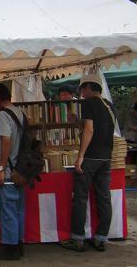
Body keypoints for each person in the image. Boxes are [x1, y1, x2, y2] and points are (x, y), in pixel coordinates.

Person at [60, 73, 116, 252]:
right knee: (104, 198)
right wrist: (78, 122)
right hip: (106, 157)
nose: (81, 93)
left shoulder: (88, 103)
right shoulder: (109, 105)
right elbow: (98, 128)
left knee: (81, 198)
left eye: (82, 89)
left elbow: (90, 130)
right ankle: (101, 238)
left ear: (89, 87)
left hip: (90, 156)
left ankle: (77, 239)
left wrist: (81, 155)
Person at [0, 82, 26, 261]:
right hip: (20, 170)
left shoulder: (3, 115)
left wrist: (0, 169)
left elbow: (6, 142)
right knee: (18, 210)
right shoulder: (20, 113)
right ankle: (18, 244)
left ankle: (9, 248)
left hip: (8, 171)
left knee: (7, 210)